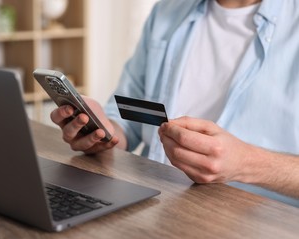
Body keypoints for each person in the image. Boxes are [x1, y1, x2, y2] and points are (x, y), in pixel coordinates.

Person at [50, 0, 299, 206]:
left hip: (257, 231)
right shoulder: (167, 11)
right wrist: (103, 131)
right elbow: (128, 121)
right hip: (152, 207)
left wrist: (247, 164)